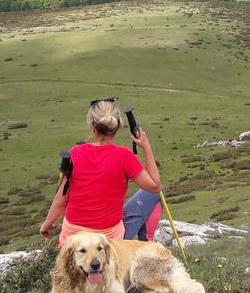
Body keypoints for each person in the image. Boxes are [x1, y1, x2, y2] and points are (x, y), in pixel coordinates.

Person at [39, 98, 162, 245]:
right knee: (160, 193)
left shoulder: (75, 153)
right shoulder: (124, 156)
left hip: (73, 244)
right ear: (118, 126)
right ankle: (147, 242)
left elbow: (61, 200)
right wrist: (146, 146)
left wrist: (46, 225)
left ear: (92, 126)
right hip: (107, 245)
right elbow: (155, 186)